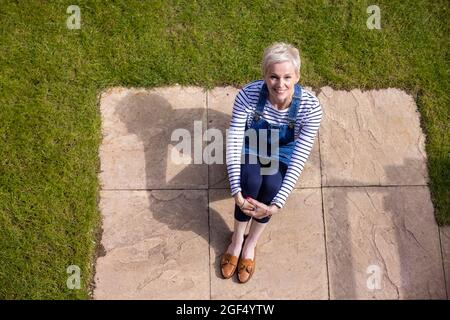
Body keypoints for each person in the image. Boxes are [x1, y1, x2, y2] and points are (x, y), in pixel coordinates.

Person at [221, 42, 323, 283]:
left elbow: (300, 154)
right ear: (264, 75)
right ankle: (237, 240)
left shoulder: (311, 108)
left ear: (297, 76)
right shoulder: (248, 95)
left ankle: (250, 244)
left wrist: (278, 203)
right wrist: (235, 189)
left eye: (287, 77)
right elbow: (235, 140)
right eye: (274, 77)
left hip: (283, 151)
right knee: (251, 182)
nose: (280, 84)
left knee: (271, 188)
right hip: (252, 144)